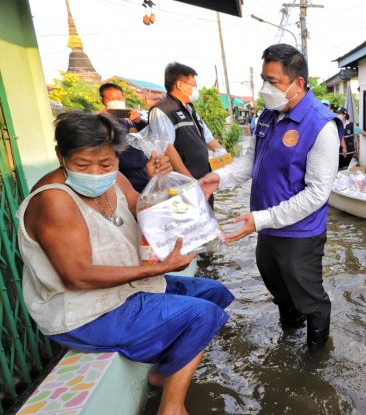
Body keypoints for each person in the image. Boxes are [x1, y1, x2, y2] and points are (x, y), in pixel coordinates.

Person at [18, 111, 234, 415]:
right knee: (202, 315)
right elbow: (77, 277)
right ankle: (171, 408)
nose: (95, 172)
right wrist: (159, 268)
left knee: (215, 293)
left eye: (105, 163)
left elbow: (148, 215)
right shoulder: (55, 200)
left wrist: (158, 182)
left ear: (116, 156)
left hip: (127, 289)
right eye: (82, 164)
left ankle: (163, 373)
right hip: (86, 310)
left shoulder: (116, 179)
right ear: (60, 156)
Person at [200, 44, 342, 347]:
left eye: (273, 81)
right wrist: (219, 178)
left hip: (299, 234)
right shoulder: (267, 116)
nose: (266, 88)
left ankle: (316, 358)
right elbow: (250, 162)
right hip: (265, 227)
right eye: (264, 79)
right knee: (278, 288)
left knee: (311, 299)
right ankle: (289, 337)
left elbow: (317, 193)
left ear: (298, 83)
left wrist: (261, 219)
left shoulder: (321, 126)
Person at [149, 62, 223, 181]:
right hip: (182, 183)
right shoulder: (162, 110)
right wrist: (190, 181)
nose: (196, 89)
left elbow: (208, 137)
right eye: (193, 85)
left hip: (203, 177)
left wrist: (226, 158)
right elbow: (166, 147)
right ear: (180, 85)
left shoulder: (189, 109)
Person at [98, 83, 173, 192]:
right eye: (111, 99)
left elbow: (151, 135)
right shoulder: (101, 121)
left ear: (124, 98)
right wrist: (103, 121)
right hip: (120, 174)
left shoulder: (133, 118)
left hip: (143, 170)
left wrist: (138, 121)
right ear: (103, 101)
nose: (116, 101)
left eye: (119, 98)